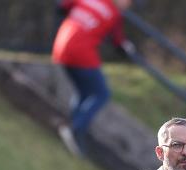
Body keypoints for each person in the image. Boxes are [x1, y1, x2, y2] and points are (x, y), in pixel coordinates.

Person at [51, 0, 134, 156]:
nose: (129, 5)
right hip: (80, 53)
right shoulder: (114, 14)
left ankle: (69, 125)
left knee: (84, 92)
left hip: (60, 47)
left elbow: (62, 6)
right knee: (102, 94)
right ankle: (75, 129)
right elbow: (119, 42)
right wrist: (127, 49)